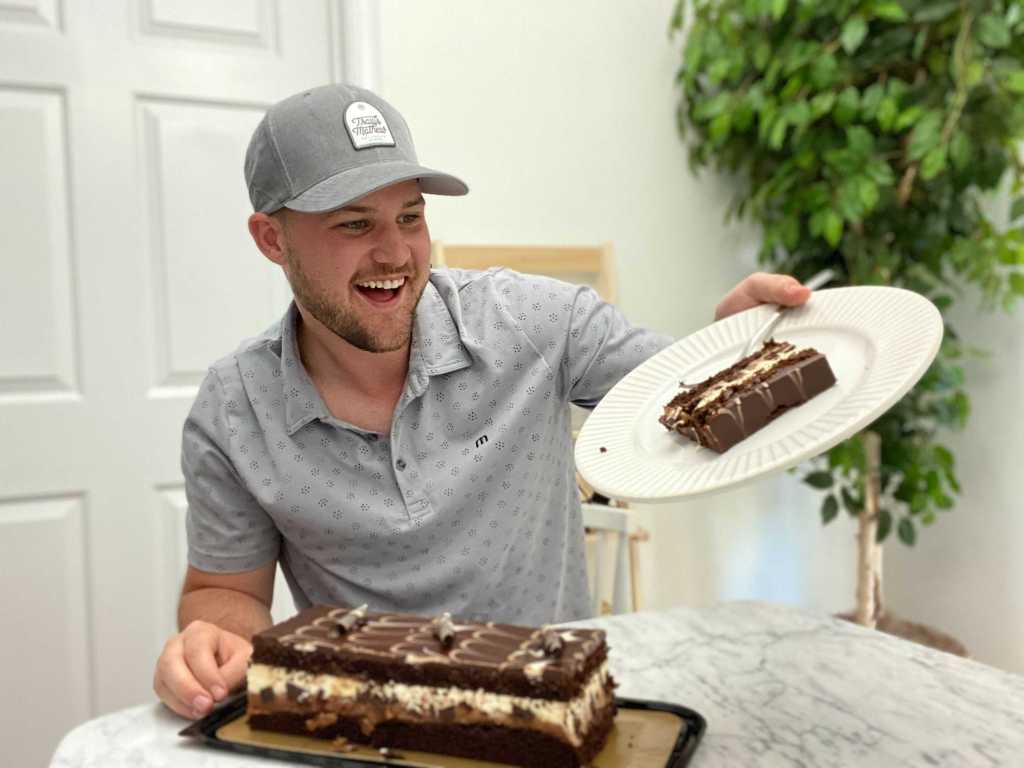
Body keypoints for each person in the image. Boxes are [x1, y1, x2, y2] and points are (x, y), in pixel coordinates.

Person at [152, 83, 813, 719]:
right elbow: (224, 591)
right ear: (272, 240)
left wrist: (733, 345)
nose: (395, 252)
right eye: (354, 224)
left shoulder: (535, 324)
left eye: (410, 217)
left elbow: (685, 396)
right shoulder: (234, 411)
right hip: (369, 728)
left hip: (555, 714)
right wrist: (216, 643)